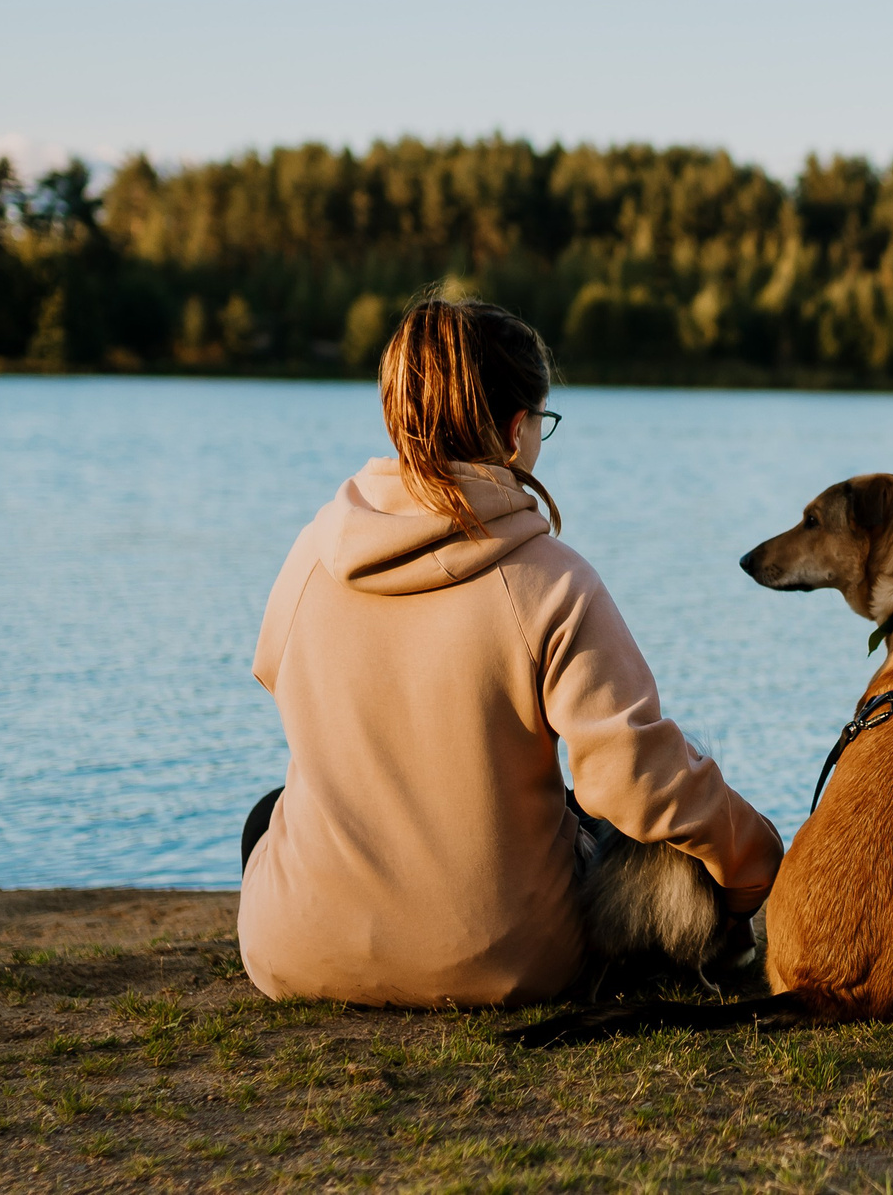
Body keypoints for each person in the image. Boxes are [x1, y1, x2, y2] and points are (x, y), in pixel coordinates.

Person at [237, 294, 782, 1007]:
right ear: (516, 430)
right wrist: (757, 859)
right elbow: (638, 780)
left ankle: (326, 929)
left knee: (267, 816)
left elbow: (277, 677)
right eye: (542, 424)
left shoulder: (312, 553)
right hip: (509, 962)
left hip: (291, 953)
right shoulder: (552, 580)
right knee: (630, 834)